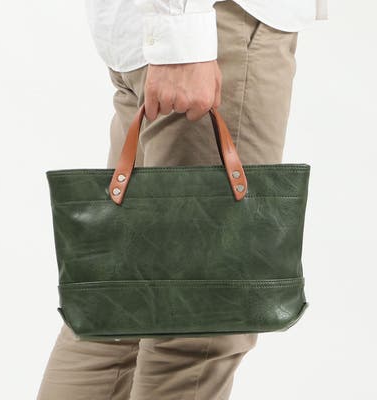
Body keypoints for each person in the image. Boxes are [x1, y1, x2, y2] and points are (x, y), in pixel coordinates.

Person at [37, 1, 327, 399]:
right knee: (200, 326)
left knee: (113, 314)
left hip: (164, 35)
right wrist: (182, 32)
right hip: (208, 32)